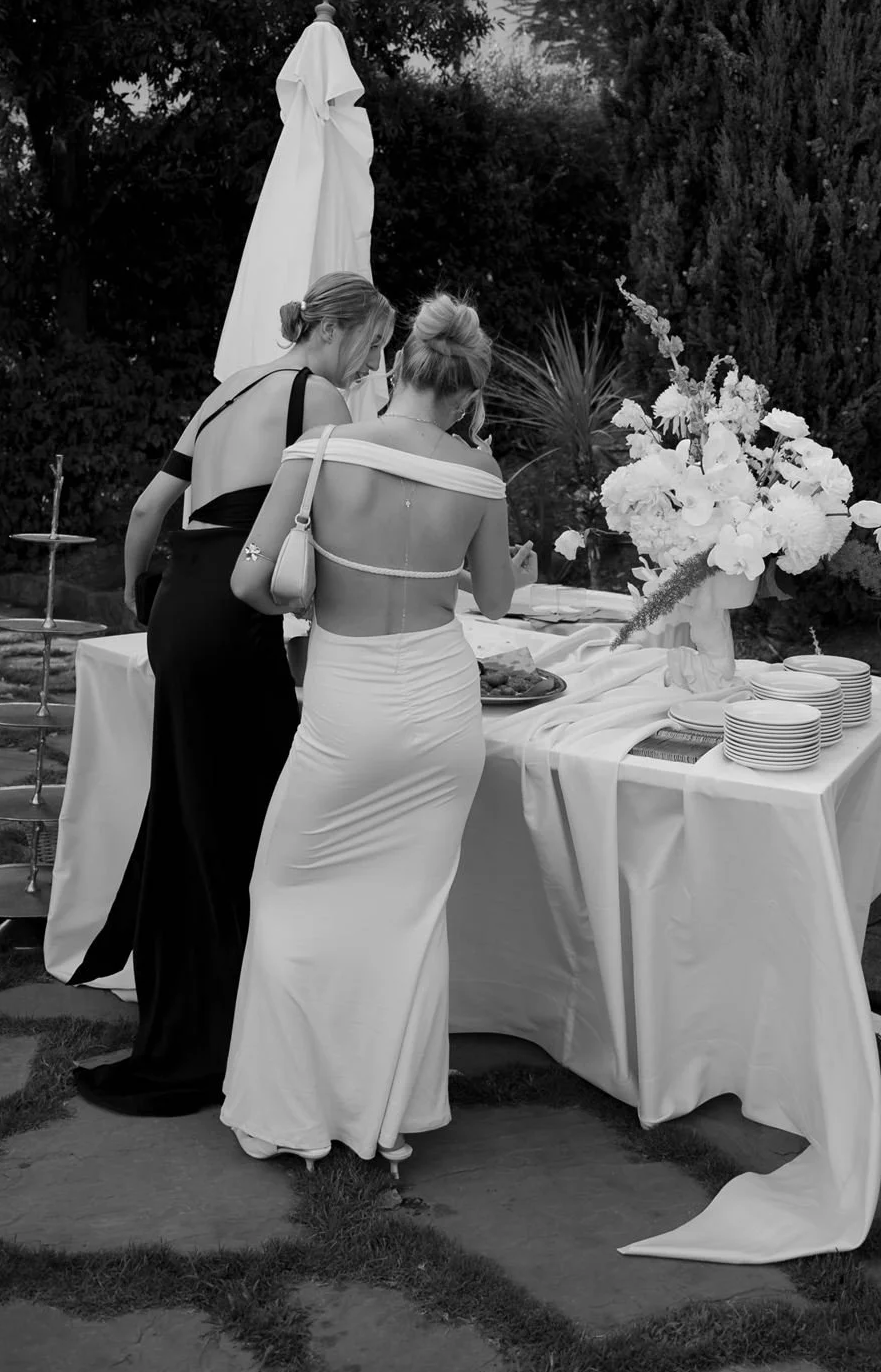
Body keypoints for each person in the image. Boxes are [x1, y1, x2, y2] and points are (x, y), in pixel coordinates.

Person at [219, 293, 538, 1172]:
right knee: (408, 916)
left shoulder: (319, 449)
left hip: (348, 701)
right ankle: (386, 1116)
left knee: (285, 895)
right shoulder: (480, 474)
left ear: (396, 366)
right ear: (470, 395)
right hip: (441, 709)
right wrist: (513, 565)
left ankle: (290, 1110)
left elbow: (250, 583)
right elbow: (498, 600)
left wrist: (304, 589)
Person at [72, 272, 395, 1117]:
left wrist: (139, 599)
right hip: (239, 614)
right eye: (374, 348)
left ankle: (194, 1013)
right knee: (248, 820)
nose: (373, 367)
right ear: (342, 333)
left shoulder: (223, 395)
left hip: (183, 600)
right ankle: (230, 1033)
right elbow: (342, 525)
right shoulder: (317, 396)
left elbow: (148, 511)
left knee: (191, 810)